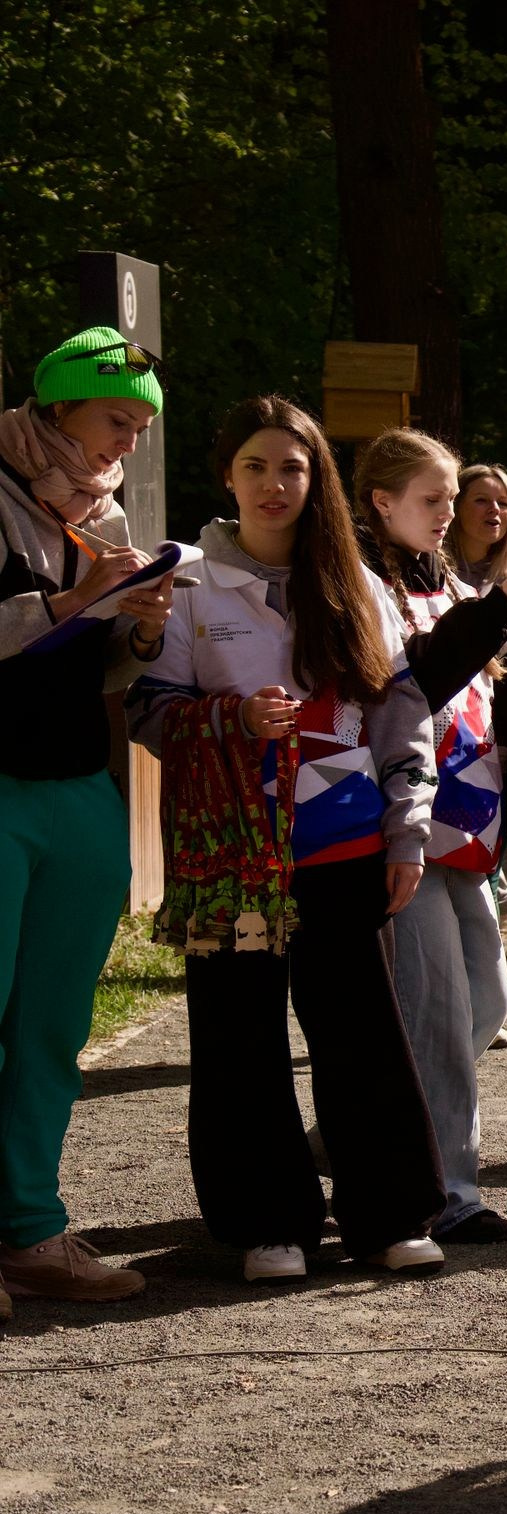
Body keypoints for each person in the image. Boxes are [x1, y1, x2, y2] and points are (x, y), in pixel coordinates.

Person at [129, 395, 447, 1282]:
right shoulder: (187, 582)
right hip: (230, 851)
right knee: (238, 1033)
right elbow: (150, 713)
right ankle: (268, 1222)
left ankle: (389, 1213)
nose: (276, 485)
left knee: (360, 1029)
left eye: (294, 467)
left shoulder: (359, 582)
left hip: (342, 847)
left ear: (319, 478)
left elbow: (401, 712)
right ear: (226, 475)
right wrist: (231, 719)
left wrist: (406, 832)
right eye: (257, 467)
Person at [355, 430, 507, 1244]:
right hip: (402, 828)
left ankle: (352, 1140)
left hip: (470, 824)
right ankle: (448, 1190)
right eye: (434, 497)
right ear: (382, 502)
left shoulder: (449, 581)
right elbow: (411, 682)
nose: (450, 511)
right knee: (439, 1014)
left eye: (452, 497)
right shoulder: (362, 585)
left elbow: (487, 704)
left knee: (484, 1003)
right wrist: (503, 604)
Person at [0, 327, 174, 1314]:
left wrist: (137, 628)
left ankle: (27, 1226)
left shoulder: (101, 516)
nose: (129, 443)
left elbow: (98, 668)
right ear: (59, 405)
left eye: (142, 427)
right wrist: (74, 598)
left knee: (53, 1026)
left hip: (77, 787)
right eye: (118, 419)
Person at [450, 463, 507, 966]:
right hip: (451, 736)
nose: (495, 511)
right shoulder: (432, 574)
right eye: (482, 500)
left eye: (503, 502)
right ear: (456, 506)